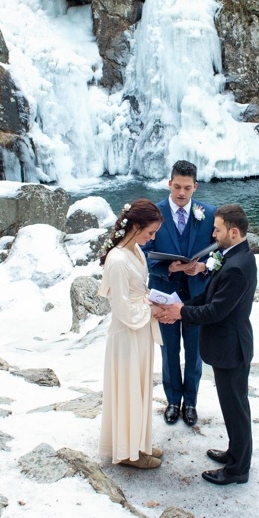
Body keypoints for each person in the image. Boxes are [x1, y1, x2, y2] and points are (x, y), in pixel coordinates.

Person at [156, 204, 256, 485]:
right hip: (228, 345)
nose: (213, 233)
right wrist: (181, 305)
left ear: (233, 232)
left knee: (236, 409)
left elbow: (216, 311)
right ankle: (235, 453)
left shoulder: (237, 267)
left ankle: (238, 470)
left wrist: (180, 313)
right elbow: (210, 298)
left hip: (231, 347)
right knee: (232, 406)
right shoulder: (234, 256)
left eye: (218, 229)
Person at [143, 160, 216, 427]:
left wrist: (202, 266)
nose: (182, 193)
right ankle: (173, 401)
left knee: (194, 353)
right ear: (169, 183)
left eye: (187, 187)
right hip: (166, 296)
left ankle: (192, 403)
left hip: (198, 298)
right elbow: (142, 252)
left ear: (195, 186)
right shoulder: (155, 213)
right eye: (177, 187)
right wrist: (167, 266)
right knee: (169, 352)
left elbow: (219, 251)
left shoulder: (209, 214)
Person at [97, 199, 165, 469]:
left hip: (141, 329)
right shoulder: (117, 260)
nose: (153, 237)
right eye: (150, 232)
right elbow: (122, 308)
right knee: (128, 388)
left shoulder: (134, 249)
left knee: (139, 386)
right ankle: (127, 452)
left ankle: (138, 442)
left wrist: (154, 300)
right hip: (127, 333)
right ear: (135, 227)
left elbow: (136, 291)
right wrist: (152, 311)